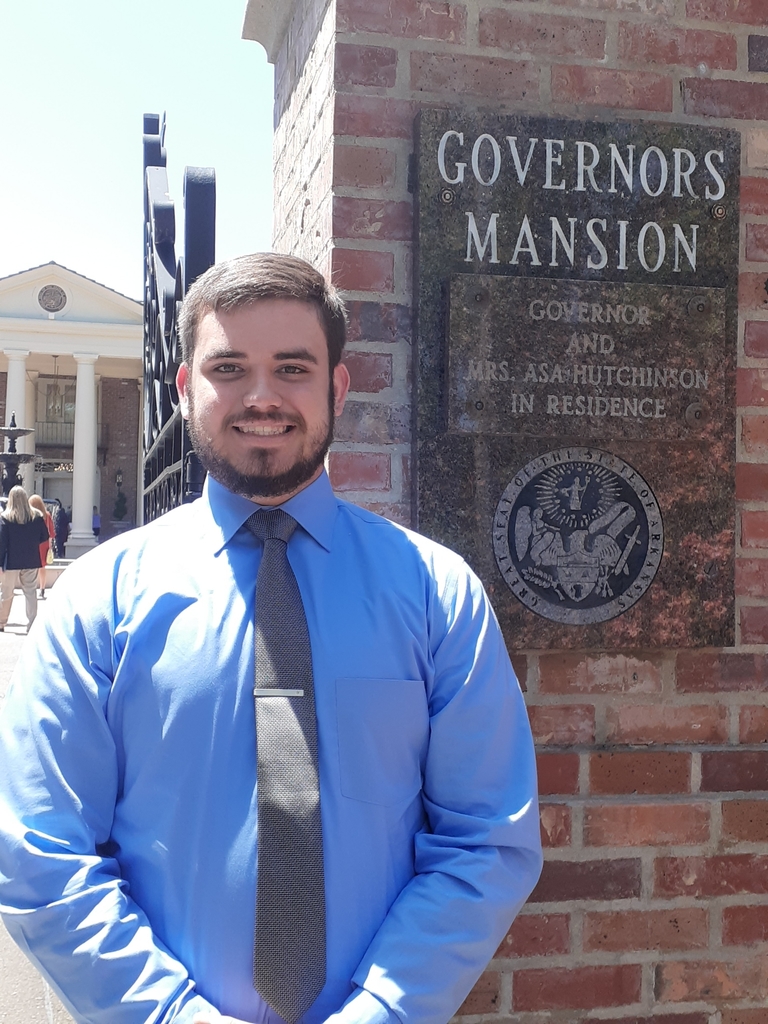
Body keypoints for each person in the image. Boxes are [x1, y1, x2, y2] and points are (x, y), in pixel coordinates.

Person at [0, 254, 542, 1024]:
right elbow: (40, 854)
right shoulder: (96, 602)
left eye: (293, 368)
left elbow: (486, 841)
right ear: (185, 389)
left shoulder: (437, 596)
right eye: (229, 368)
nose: (262, 396)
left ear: (337, 389)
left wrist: (380, 1013)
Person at [0, 485, 50, 632]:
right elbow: (45, 536)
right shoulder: (37, 517)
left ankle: (2, 622)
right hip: (31, 559)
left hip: (11, 562)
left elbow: (2, 543)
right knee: (30, 592)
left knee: (7, 593)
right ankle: (32, 624)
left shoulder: (5, 518)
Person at [29, 494, 55, 598]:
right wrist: (50, 545)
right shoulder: (47, 515)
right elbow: (51, 533)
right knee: (42, 568)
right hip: (44, 544)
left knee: (31, 568)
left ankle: (31, 589)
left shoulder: (30, 515)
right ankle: (42, 589)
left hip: (33, 543)